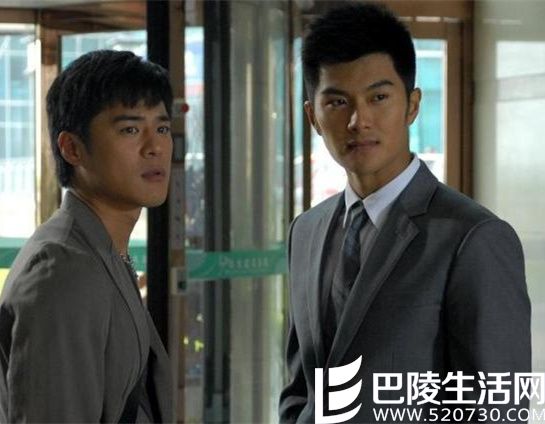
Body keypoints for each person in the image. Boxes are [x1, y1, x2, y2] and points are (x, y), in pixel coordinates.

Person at [279, 3, 531, 423]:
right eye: (337, 102)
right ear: (313, 117)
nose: (359, 120)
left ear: (412, 105)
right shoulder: (305, 232)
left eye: (378, 97)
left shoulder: (472, 237)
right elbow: (300, 391)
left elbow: (497, 408)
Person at [0, 50, 173, 422]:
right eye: (130, 130)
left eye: (161, 128)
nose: (155, 147)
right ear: (72, 148)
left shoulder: (101, 250)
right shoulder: (64, 269)